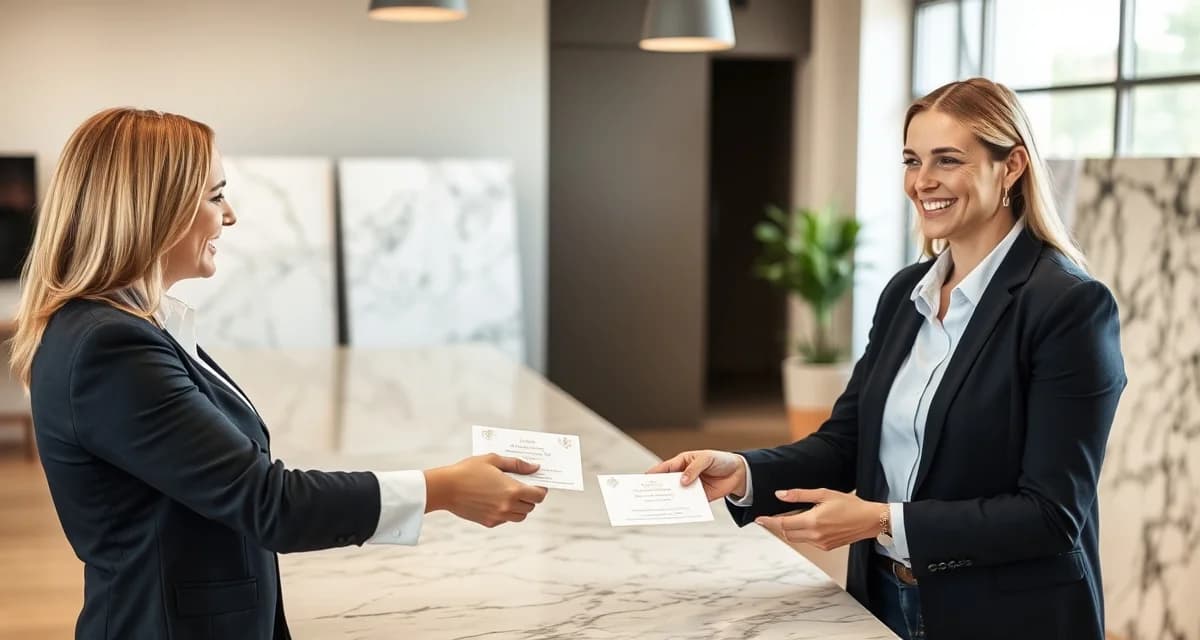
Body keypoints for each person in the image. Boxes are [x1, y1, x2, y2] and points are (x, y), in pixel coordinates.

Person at [8, 107, 549, 639]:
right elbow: (268, 503)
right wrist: (443, 489)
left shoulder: (127, 326)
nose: (231, 215)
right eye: (216, 195)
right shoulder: (111, 346)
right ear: (154, 207)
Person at [650, 77, 1126, 640]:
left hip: (1007, 616)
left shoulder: (1068, 306)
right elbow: (847, 443)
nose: (922, 182)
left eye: (947, 160)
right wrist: (742, 472)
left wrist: (881, 519)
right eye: (912, 160)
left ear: (1012, 166)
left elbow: (1051, 516)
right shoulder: (906, 294)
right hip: (880, 598)